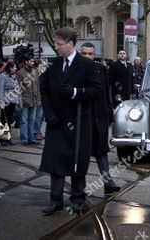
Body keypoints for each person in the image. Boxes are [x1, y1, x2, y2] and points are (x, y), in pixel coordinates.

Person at [40, 27, 101, 216]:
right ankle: (55, 200)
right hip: (56, 122)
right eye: (56, 44)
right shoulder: (53, 65)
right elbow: (44, 91)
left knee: (77, 163)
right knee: (55, 164)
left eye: (60, 44)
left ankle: (77, 199)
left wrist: (76, 92)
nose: (57, 48)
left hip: (78, 122)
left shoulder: (87, 65)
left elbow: (96, 91)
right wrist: (49, 114)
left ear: (70, 43)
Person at [80, 42, 120, 195]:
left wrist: (110, 115)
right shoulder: (76, 70)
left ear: (94, 54)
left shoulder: (102, 69)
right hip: (84, 118)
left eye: (90, 54)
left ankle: (108, 183)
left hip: (101, 117)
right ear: (80, 53)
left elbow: (106, 93)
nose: (88, 57)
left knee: (102, 151)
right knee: (82, 153)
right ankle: (79, 187)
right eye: (84, 54)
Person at [16, 56, 41, 145]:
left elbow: (37, 86)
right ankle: (24, 139)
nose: (33, 63)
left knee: (32, 120)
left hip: (34, 100)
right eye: (31, 61)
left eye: (33, 61)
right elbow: (18, 88)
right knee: (24, 121)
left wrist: (39, 99)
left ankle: (31, 138)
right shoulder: (20, 73)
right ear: (26, 62)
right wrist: (20, 101)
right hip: (24, 100)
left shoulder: (35, 71)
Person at [0, 61, 21, 146]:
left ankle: (8, 138)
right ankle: (3, 139)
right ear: (10, 68)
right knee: (3, 120)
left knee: (9, 121)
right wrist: (1, 102)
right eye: (14, 67)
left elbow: (17, 89)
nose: (16, 69)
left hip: (12, 101)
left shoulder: (14, 76)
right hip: (5, 102)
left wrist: (19, 101)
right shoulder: (2, 77)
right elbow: (0, 90)